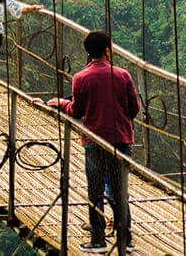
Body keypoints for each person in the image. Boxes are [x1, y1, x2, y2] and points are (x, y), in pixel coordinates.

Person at [43, 31, 139, 253]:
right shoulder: (123, 75)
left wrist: (61, 104)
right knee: (120, 189)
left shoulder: (81, 78)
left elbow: (76, 111)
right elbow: (134, 109)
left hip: (94, 141)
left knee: (95, 190)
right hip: (121, 141)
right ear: (107, 50)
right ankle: (126, 239)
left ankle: (98, 240)